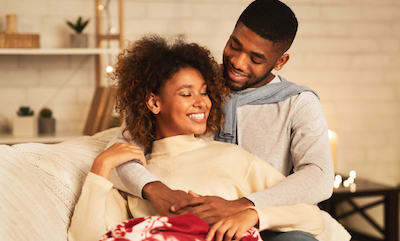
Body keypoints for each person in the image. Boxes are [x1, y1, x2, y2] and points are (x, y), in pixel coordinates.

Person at [108, 1, 337, 240]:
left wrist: (245, 206)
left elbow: (319, 177)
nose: (238, 62)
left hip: (264, 222)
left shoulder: (298, 103)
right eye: (234, 45)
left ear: (280, 62)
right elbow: (117, 152)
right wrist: (156, 190)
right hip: (192, 224)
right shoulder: (194, 82)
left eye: (255, 59)